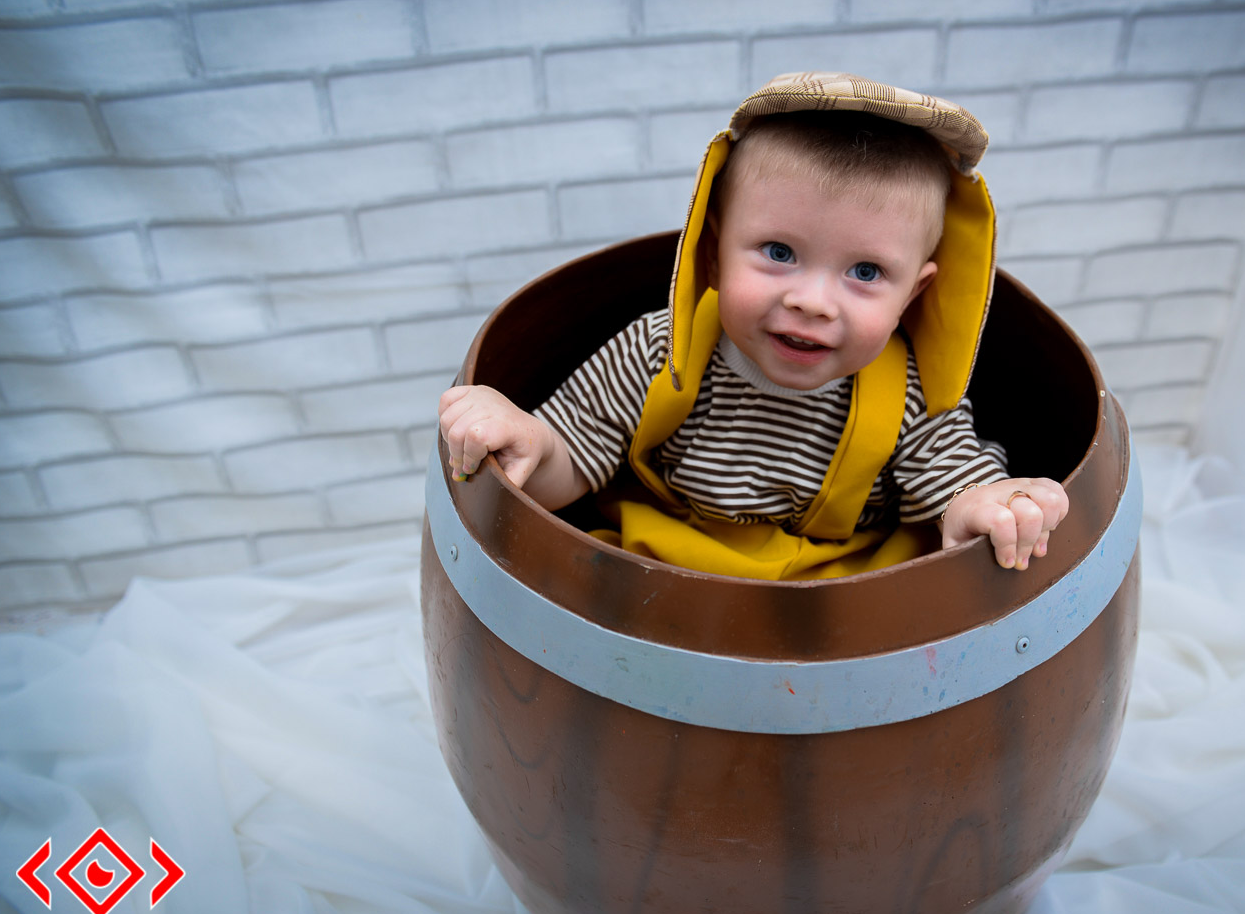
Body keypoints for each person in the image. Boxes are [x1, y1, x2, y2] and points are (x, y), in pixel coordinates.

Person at [439, 72, 1068, 581]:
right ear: (712, 254)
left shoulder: (911, 393)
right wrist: (527, 438)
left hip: (836, 598)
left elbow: (953, 489)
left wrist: (988, 505)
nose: (813, 302)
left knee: (914, 575)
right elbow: (572, 462)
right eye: (779, 252)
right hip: (664, 573)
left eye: (866, 271)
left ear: (914, 295)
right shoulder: (660, 349)